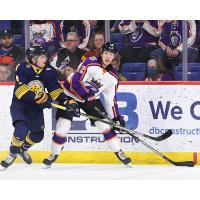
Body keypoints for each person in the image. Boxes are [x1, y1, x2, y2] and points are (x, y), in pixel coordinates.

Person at [43, 42, 132, 167]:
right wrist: (85, 95)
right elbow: (75, 82)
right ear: (101, 53)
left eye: (111, 54)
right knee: (63, 125)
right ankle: (54, 154)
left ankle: (119, 152)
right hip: (71, 95)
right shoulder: (90, 62)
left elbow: (110, 99)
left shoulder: (113, 77)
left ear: (114, 56)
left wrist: (115, 118)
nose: (108, 56)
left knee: (105, 125)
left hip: (89, 99)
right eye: (106, 53)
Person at [0, 45, 79, 169]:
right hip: (21, 105)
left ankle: (23, 149)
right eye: (42, 57)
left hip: (36, 107)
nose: (45, 60)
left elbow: (55, 89)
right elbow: (20, 89)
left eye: (45, 57)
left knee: (38, 135)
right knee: (22, 128)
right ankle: (12, 154)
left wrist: (67, 100)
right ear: (32, 59)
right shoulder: (22, 68)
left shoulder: (50, 70)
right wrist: (39, 98)